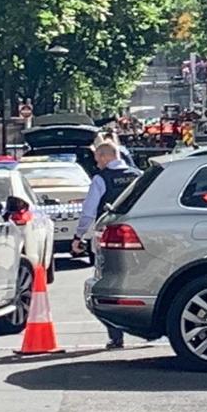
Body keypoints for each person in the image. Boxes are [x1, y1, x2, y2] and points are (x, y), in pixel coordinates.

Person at [72, 142, 142, 349]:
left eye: (97, 159)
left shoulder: (101, 179)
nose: (96, 163)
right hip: (141, 237)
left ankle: (116, 335)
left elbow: (89, 211)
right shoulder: (138, 175)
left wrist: (78, 236)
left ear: (104, 157)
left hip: (109, 240)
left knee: (108, 286)